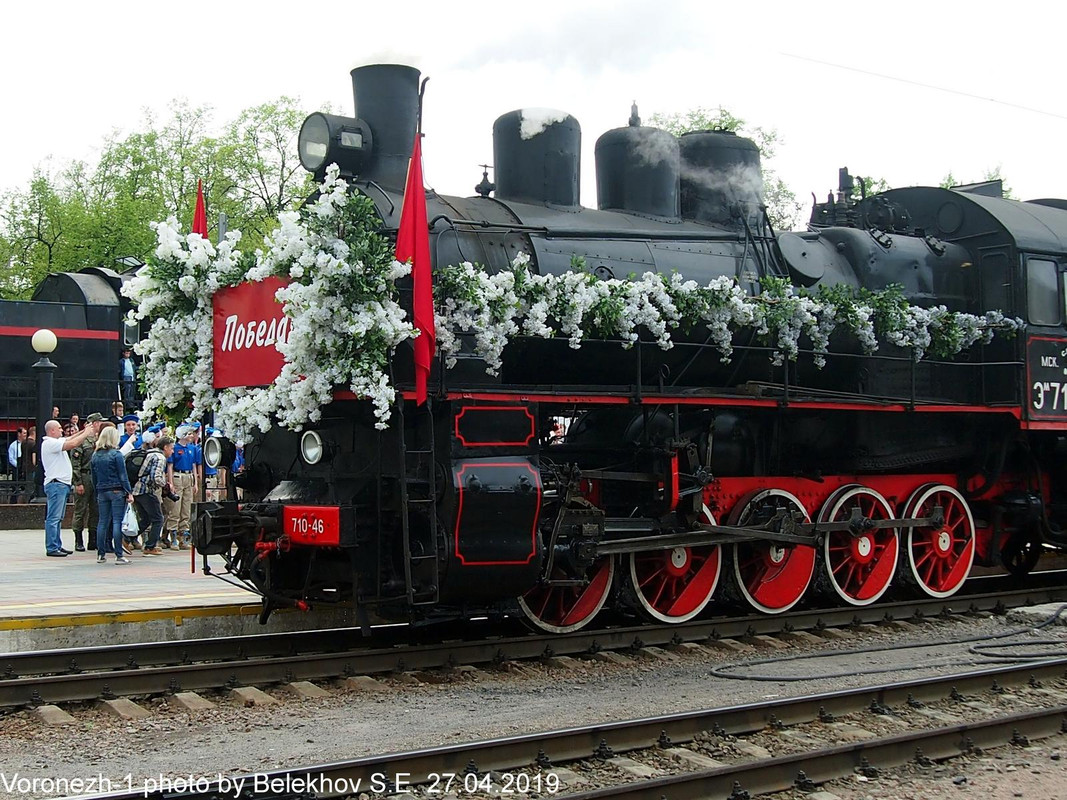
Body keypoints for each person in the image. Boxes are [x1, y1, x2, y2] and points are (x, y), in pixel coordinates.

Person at [40, 419, 93, 557]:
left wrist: (83, 431)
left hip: (61, 485)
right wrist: (87, 433)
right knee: (54, 517)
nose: (61, 430)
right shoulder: (49, 443)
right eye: (59, 428)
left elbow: (70, 438)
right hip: (56, 484)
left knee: (58, 517)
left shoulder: (55, 442)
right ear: (52, 430)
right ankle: (52, 547)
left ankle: (56, 544)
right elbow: (73, 443)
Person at [90, 426, 133, 564]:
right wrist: (129, 491)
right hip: (116, 490)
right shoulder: (116, 454)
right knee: (117, 522)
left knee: (102, 522)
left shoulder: (95, 455)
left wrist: (97, 491)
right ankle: (119, 555)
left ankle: (101, 554)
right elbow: (122, 475)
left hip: (102, 490)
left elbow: (93, 476)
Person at [71, 413, 104, 552]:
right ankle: (78, 539)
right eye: (98, 422)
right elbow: (75, 463)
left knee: (96, 509)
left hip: (97, 477)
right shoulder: (82, 440)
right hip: (85, 476)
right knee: (81, 509)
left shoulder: (101, 439)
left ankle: (93, 540)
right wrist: (78, 482)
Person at [133, 435, 171, 556]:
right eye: (171, 448)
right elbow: (156, 477)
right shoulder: (160, 457)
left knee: (145, 519)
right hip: (146, 491)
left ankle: (127, 539)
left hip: (137, 490)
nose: (172, 451)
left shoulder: (150, 453)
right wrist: (166, 486)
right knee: (158, 519)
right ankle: (150, 546)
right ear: (165, 447)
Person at [164, 425, 198, 549]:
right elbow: (170, 466)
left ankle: (184, 535)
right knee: (175, 507)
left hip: (188, 476)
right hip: (178, 476)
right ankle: (173, 535)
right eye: (189, 434)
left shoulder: (192, 448)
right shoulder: (176, 448)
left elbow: (194, 465)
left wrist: (195, 482)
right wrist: (171, 482)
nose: (191, 436)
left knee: (187, 507)